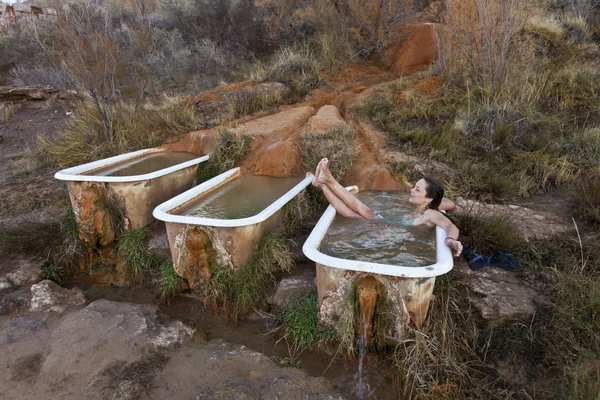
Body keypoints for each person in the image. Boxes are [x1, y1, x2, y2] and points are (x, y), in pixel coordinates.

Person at [312, 158, 463, 257]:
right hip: (387, 230)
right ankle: (323, 184)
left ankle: (327, 181)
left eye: (417, 189)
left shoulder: (431, 213)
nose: (411, 190)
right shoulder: (423, 208)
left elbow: (450, 226)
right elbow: (448, 203)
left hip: (388, 237)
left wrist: (451, 240)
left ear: (429, 198)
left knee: (363, 211)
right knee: (354, 214)